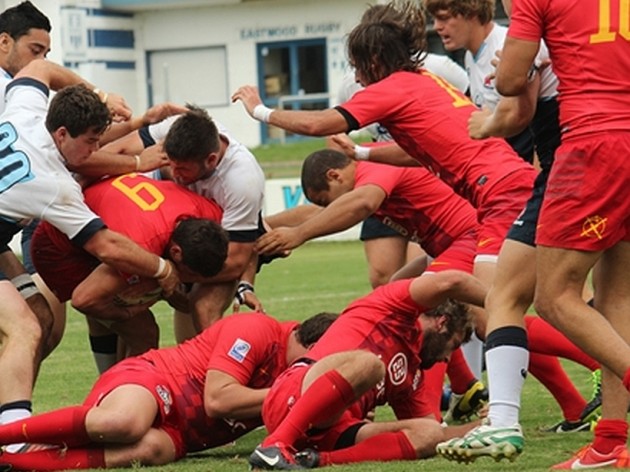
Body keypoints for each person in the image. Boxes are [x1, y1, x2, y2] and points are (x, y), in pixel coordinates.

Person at [450, 0, 630, 468]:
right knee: (615, 301)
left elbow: (510, 82)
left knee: (553, 298)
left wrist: (495, 104)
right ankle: (611, 443)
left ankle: (506, 419)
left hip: (590, 147)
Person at [0, 58, 178, 451]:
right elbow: (107, 246)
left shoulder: (25, 109)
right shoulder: (55, 184)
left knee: (40, 316)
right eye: (92, 141)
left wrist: (97, 95)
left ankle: (9, 416)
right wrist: (163, 269)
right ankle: (13, 442)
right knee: (25, 330)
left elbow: (39, 67)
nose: (97, 149)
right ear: (62, 133)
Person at [0, 311, 337, 470]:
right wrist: (293, 392)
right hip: (157, 379)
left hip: (182, 435)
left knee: (147, 450)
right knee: (123, 423)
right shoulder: (257, 329)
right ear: (309, 344)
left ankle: (14, 464)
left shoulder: (301, 370)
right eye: (316, 363)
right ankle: (7, 437)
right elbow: (218, 399)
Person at [248, 269, 487, 470]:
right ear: (441, 322)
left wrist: (483, 428)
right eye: (453, 346)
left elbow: (435, 435)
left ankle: (315, 460)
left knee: (429, 433)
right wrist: (504, 300)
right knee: (371, 365)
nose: (446, 358)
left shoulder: (412, 375)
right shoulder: (393, 307)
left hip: (333, 431)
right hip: (293, 396)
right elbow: (453, 281)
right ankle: (275, 444)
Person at [31, 173, 229, 369]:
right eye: (190, 276)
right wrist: (131, 310)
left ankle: (111, 389)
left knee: (148, 296)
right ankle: (117, 394)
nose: (188, 283)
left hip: (108, 221)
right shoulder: (140, 247)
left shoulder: (207, 211)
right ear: (176, 252)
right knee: (144, 332)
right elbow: (84, 299)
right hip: (59, 250)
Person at [102, 107, 266, 341]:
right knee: (107, 294)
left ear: (211, 160)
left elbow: (235, 260)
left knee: (203, 308)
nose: (175, 174)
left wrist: (163, 277)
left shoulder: (242, 181)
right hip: (175, 231)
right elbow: (115, 151)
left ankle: (224, 372)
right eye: (170, 163)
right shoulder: (175, 126)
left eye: (183, 169)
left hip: (216, 248)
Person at [425, 0, 536, 162]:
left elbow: (521, 117)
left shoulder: (504, 46)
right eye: (434, 19)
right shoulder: (470, 56)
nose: (436, 27)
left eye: (444, 18)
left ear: (472, 13)